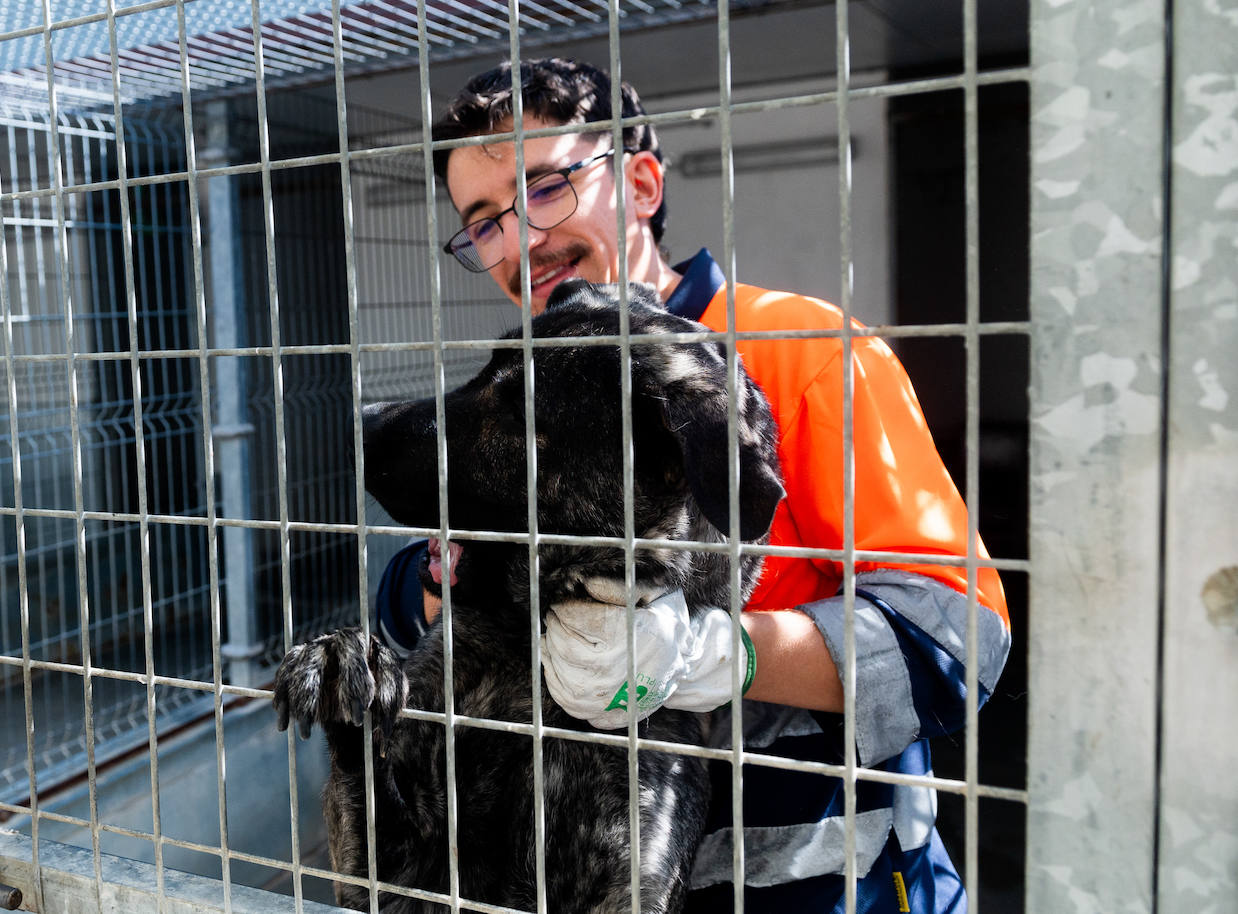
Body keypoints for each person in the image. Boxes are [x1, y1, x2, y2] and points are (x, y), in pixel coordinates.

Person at [374, 57, 1011, 913]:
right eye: (483, 221)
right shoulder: (538, 388)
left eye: (546, 187)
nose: (520, 241)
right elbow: (428, 581)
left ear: (639, 184)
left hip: (835, 893)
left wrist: (723, 655)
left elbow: (958, 634)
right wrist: (434, 587)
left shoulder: (808, 352)